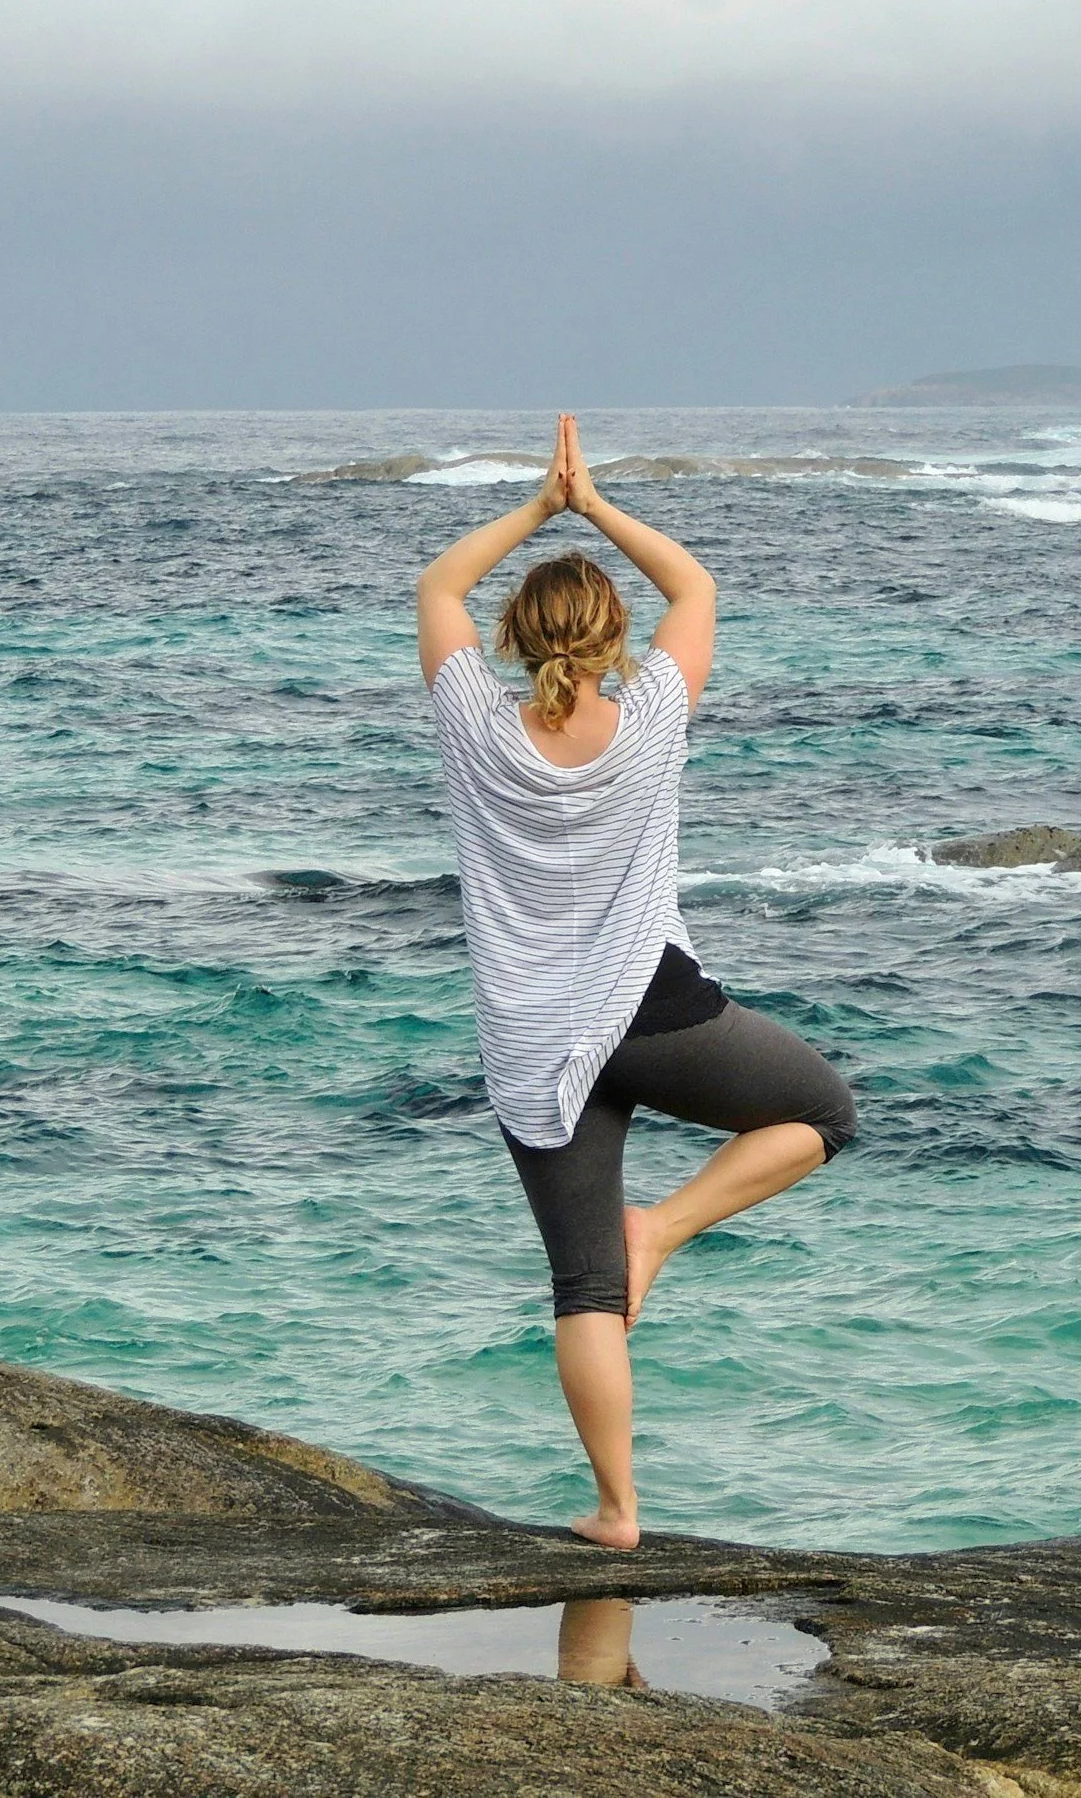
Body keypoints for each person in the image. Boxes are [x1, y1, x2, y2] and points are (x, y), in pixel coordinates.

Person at [416, 414, 857, 1549]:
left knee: (583, 1291)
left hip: (530, 1041)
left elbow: (437, 586)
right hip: (653, 1009)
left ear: (512, 640)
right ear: (617, 641)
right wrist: (594, 503)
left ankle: (618, 1512)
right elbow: (696, 588)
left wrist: (532, 508)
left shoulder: (473, 721)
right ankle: (660, 1230)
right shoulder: (653, 717)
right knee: (820, 1114)